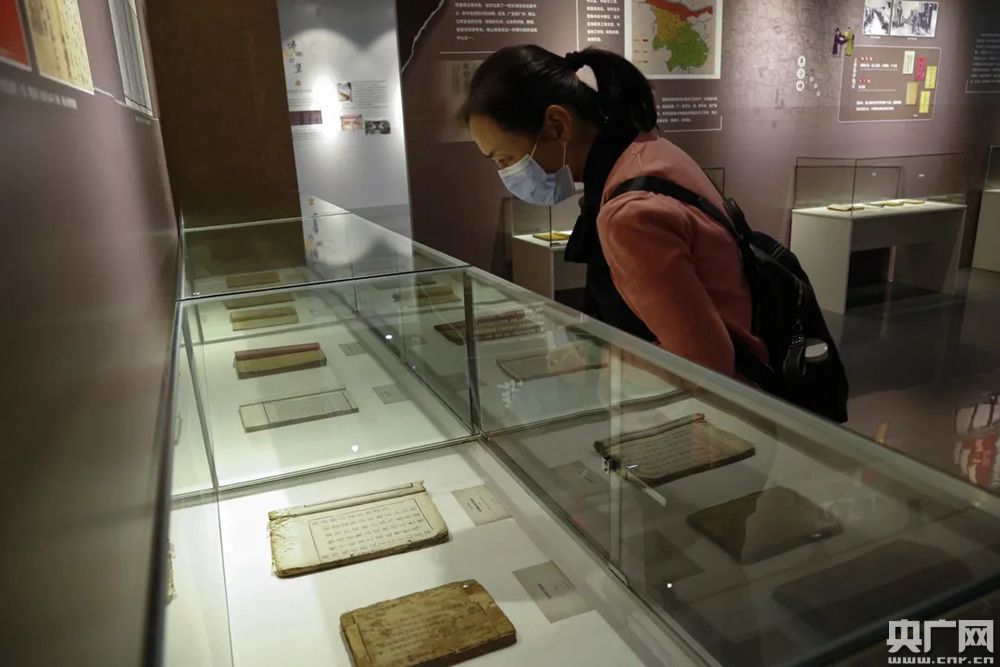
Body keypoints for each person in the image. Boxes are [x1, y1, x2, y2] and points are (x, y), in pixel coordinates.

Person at [458, 45, 767, 378]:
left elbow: (702, 363)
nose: (506, 173)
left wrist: (601, 360)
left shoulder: (629, 214)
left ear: (558, 125)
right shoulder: (645, 151)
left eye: (505, 158)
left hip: (723, 400)